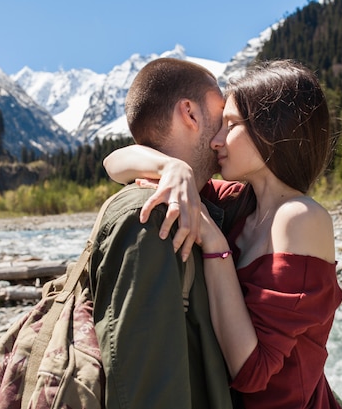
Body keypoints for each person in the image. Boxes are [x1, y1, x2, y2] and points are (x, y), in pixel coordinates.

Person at [104, 59, 342, 409]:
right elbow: (114, 163)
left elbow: (253, 372)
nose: (216, 139)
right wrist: (171, 167)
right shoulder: (237, 201)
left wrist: (216, 245)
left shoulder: (300, 217)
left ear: (270, 130)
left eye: (229, 125)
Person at [87, 58, 234, 409]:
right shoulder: (151, 216)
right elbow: (144, 392)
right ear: (190, 114)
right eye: (221, 114)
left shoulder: (204, 200)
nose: (226, 131)